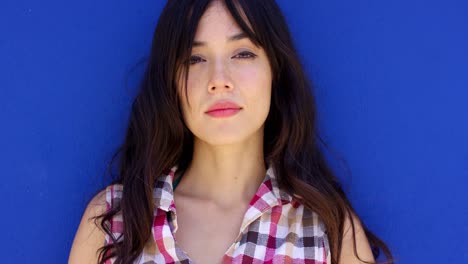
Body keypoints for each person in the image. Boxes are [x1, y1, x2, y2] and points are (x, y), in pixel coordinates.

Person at [69, 0, 394, 263]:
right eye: (195, 58)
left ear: (275, 72)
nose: (219, 79)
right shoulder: (113, 221)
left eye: (243, 53)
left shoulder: (329, 230)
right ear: (170, 85)